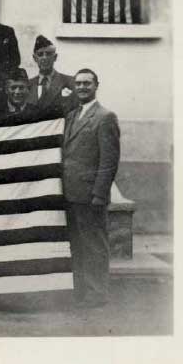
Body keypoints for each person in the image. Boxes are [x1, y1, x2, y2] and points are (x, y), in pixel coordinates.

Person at [63, 68, 120, 308]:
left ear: (96, 85)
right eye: (78, 84)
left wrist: (99, 194)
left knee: (94, 245)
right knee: (77, 244)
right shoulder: (72, 115)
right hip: (70, 192)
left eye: (87, 83)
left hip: (90, 195)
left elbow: (109, 161)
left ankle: (98, 293)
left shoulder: (105, 117)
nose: (82, 87)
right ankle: (81, 291)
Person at [27, 35, 78, 115]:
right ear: (35, 58)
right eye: (40, 54)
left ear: (55, 57)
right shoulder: (28, 85)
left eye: (48, 54)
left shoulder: (70, 82)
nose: (44, 58)